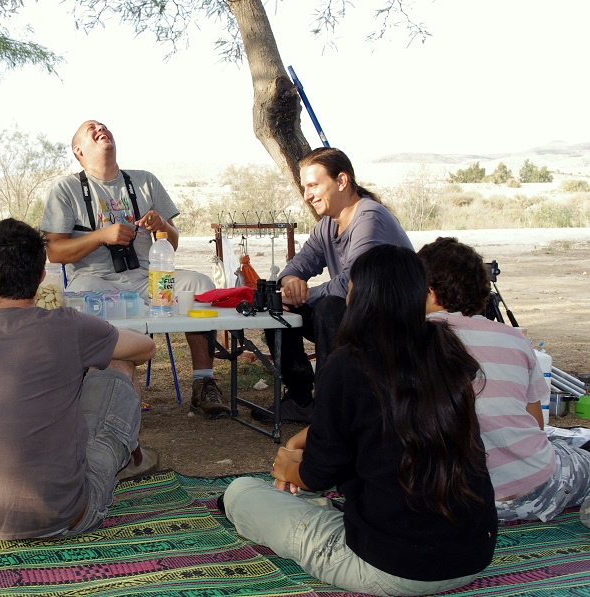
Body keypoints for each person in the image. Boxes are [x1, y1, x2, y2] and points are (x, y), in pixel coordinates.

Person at [223, 244, 497, 596]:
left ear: (361, 298)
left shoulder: (349, 363)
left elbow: (318, 475)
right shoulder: (446, 350)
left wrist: (287, 466)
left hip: (392, 568)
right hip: (473, 556)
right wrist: (304, 441)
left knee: (242, 492)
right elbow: (389, 420)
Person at [0, 218, 156, 539]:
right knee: (118, 363)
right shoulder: (66, 326)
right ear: (42, 277)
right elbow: (146, 348)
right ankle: (129, 456)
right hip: (64, 516)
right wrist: (101, 340)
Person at [40, 119, 228, 419]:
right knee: (83, 293)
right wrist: (101, 235)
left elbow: (173, 243)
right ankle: (113, 388)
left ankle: (203, 382)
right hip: (96, 283)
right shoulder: (67, 188)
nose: (101, 129)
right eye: (92, 129)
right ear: (78, 150)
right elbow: (54, 251)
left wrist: (161, 226)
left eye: (103, 126)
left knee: (200, 283)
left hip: (148, 280)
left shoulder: (144, 181)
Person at [419, 237, 590, 522]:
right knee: (573, 458)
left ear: (429, 291)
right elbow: (536, 424)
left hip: (456, 499)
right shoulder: (512, 339)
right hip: (534, 487)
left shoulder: (411, 342)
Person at [262, 147, 411, 424]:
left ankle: (333, 409)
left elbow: (353, 286)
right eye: (305, 187)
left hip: (390, 324)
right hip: (356, 317)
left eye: (314, 185)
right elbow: (297, 266)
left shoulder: (369, 217)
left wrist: (305, 294)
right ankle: (301, 399)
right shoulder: (326, 226)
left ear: (341, 181)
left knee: (329, 307)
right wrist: (291, 282)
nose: (307, 195)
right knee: (278, 311)